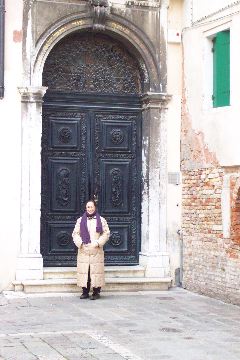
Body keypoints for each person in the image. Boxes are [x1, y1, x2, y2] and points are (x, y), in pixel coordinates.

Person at [72, 200, 110, 300]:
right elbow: (75, 233)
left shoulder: (101, 220)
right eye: (88, 207)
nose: (90, 209)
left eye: (91, 207)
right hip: (84, 250)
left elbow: (106, 233)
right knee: (85, 271)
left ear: (95, 207)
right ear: (86, 208)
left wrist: (97, 243)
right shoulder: (80, 220)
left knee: (96, 271)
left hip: (96, 250)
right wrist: (80, 243)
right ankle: (85, 291)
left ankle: (96, 292)